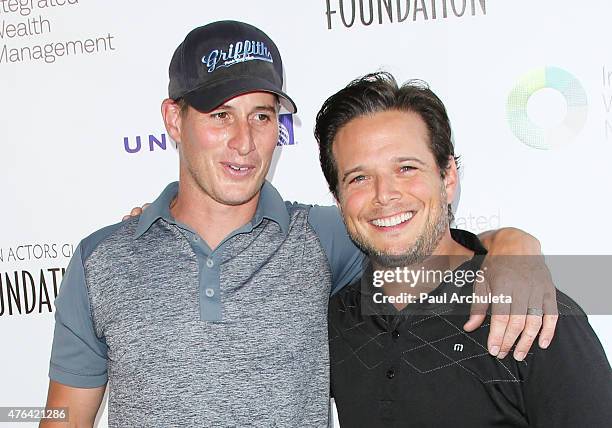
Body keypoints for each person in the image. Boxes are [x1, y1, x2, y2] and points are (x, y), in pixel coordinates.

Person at [43, 21, 556, 427]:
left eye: (262, 116)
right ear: (174, 120)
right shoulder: (102, 260)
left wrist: (512, 245)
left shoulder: (323, 238)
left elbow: (419, 238)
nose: (245, 141)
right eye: (221, 115)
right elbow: (63, 420)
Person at [317, 72, 612, 427]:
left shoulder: (533, 316)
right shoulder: (332, 322)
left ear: (448, 177)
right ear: (338, 198)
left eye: (406, 168)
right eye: (359, 178)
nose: (385, 195)